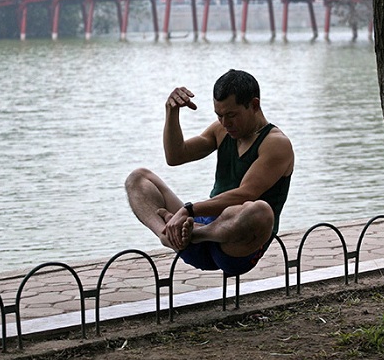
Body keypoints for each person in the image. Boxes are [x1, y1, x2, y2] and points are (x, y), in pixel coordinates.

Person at [125, 69, 294, 276]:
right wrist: (171, 112)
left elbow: (245, 194)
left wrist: (187, 211)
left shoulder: (276, 144)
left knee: (260, 211)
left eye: (231, 115)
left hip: (236, 245)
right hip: (200, 231)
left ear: (254, 105)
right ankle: (166, 234)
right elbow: (175, 156)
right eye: (219, 115)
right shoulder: (222, 130)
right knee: (138, 178)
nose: (225, 123)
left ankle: (192, 232)